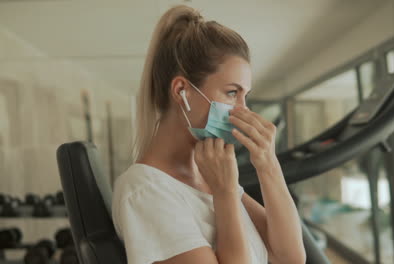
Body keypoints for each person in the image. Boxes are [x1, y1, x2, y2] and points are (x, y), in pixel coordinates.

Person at [111, 4, 306, 264]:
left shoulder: (208, 174)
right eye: (232, 93)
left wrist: (267, 162)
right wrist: (224, 195)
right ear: (181, 90)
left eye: (245, 96)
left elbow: (290, 257)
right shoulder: (146, 191)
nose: (243, 110)